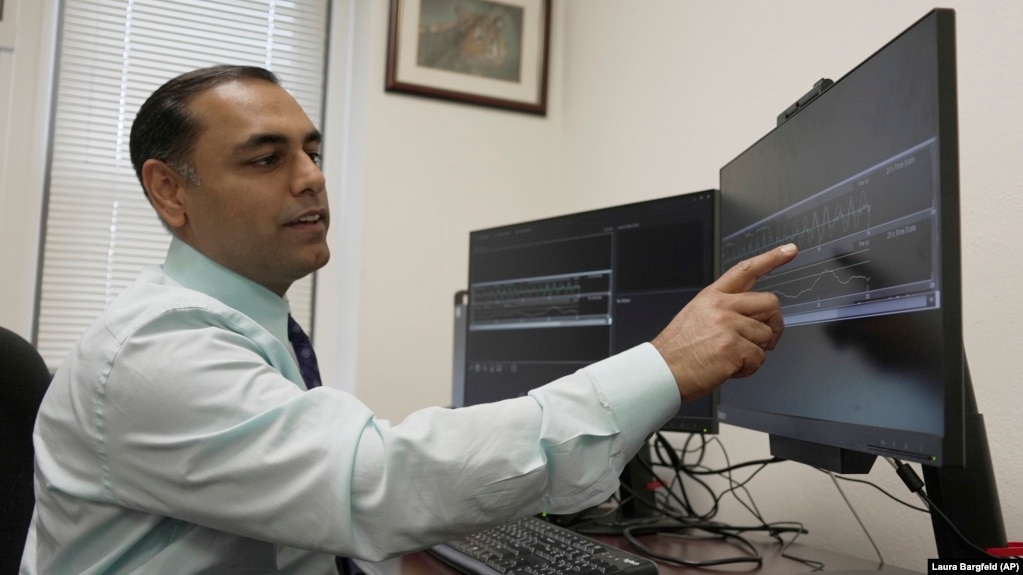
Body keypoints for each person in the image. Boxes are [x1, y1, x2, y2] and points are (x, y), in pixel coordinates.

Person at [20, 65, 798, 574]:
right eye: (266, 159)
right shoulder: (155, 349)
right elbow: (380, 481)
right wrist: (663, 365)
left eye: (313, 152)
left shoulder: (238, 327)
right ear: (169, 191)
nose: (312, 180)